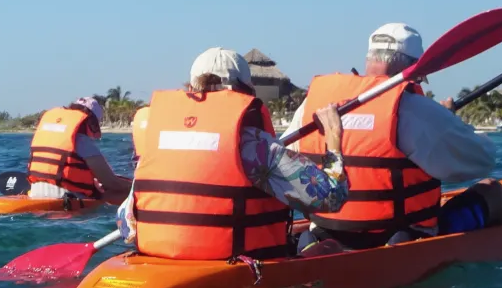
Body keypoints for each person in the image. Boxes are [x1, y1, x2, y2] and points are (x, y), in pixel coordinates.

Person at [283, 23, 502, 253]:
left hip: (325, 237)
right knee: (492, 191)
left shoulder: (312, 107)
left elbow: (283, 165)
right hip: (398, 242)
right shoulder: (416, 110)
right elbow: (482, 159)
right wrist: (449, 121)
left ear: (369, 60)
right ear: (414, 69)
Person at [116, 48, 349, 260]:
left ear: (190, 90)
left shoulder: (157, 142)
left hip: (159, 263)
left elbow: (125, 224)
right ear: (244, 92)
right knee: (330, 248)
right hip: (234, 268)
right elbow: (331, 197)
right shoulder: (253, 147)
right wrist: (333, 137)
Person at [26, 96, 132, 206]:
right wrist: (133, 187)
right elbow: (111, 183)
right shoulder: (82, 141)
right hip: (67, 198)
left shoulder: (44, 136)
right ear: (90, 122)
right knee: (125, 193)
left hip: (35, 192)